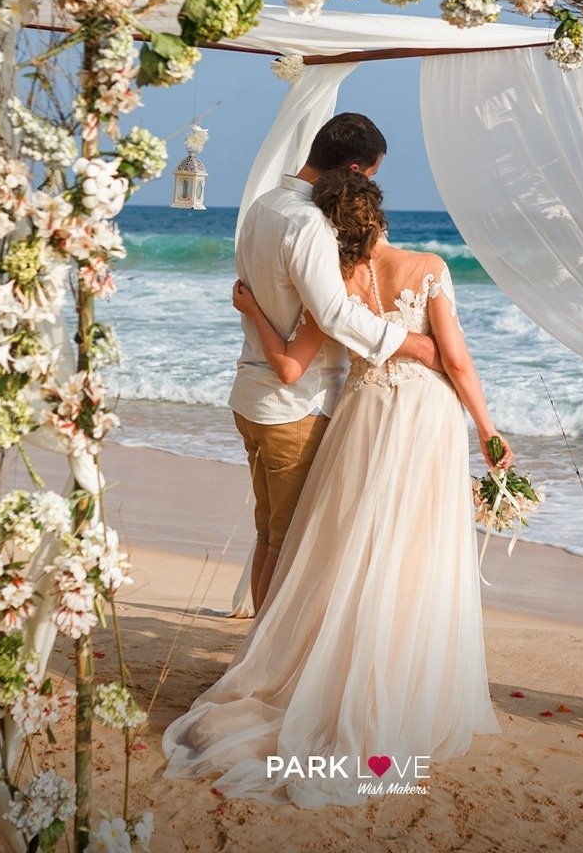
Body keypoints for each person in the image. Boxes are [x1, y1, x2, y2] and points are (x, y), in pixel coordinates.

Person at [162, 170, 510, 806]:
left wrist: (253, 312)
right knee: (413, 550)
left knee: (347, 546)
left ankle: (320, 665)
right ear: (378, 217)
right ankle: (395, 683)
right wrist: (488, 431)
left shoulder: (336, 286)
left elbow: (292, 359)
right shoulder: (429, 266)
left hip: (359, 416)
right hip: (423, 419)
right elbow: (455, 360)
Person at [228, 112, 439, 612]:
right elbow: (333, 313)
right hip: (294, 406)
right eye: (369, 175)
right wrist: (414, 344)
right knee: (290, 543)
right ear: (352, 169)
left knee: (269, 535)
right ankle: (264, 659)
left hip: (253, 396)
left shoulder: (262, 206)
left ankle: (259, 650)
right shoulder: (307, 223)